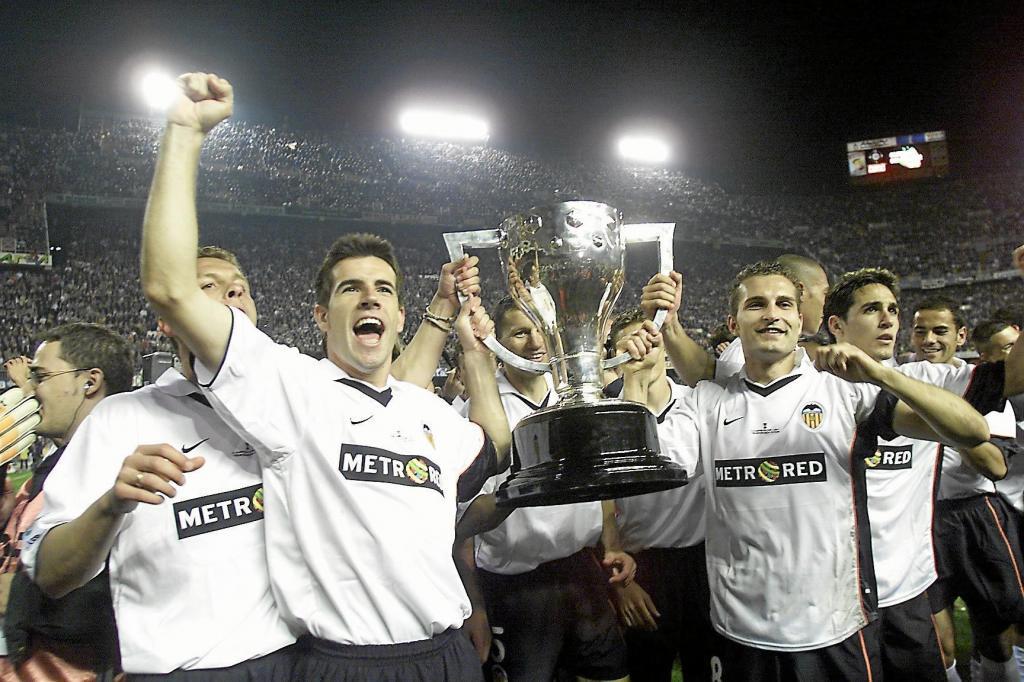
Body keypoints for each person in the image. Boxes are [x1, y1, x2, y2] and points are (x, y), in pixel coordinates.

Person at [140, 71, 511, 681]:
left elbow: (494, 447)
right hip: (345, 664)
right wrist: (183, 132)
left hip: (445, 657)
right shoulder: (289, 387)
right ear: (321, 313)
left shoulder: (424, 412)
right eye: (351, 289)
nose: (370, 299)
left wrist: (471, 347)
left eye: (384, 290)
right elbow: (171, 290)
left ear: (398, 315)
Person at [645, 261, 990, 680]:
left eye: (784, 303)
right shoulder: (707, 402)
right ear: (734, 324)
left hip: (834, 627)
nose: (772, 313)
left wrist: (883, 375)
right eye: (757, 304)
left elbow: (972, 431)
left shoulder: (846, 392)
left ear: (799, 319)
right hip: (738, 631)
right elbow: (657, 465)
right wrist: (644, 365)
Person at [23, 248, 299, 680]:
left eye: (240, 289)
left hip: (290, 662)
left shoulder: (290, 405)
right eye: (207, 286)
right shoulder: (118, 419)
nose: (232, 293)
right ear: (169, 317)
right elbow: (51, 574)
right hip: (182, 672)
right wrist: (111, 504)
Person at [823, 269, 1010, 681]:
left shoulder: (928, 380)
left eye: (892, 309)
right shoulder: (809, 386)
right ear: (836, 325)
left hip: (905, 585)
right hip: (833, 590)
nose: (888, 319)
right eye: (872, 310)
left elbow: (1012, 378)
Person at [454, 297, 631, 682]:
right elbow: (458, 529)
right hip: (516, 588)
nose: (535, 342)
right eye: (520, 332)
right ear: (497, 341)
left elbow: (599, 485)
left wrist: (612, 544)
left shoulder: (579, 393)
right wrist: (475, 606)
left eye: (542, 331)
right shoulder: (477, 410)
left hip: (582, 570)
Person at [2, 324, 133, 680]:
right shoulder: (59, 464)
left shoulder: (114, 472)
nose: (31, 391)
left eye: (40, 377)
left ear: (89, 383)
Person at [910, 297, 1024, 682]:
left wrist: (946, 422)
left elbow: (995, 465)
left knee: (995, 633)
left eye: (940, 331)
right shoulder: (898, 377)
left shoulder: (983, 386)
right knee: (938, 641)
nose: (928, 339)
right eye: (920, 330)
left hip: (974, 514)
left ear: (960, 336)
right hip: (916, 521)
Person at [601, 308, 716, 682]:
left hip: (701, 561)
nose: (641, 348)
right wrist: (623, 585)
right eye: (629, 343)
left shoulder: (699, 402)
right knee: (648, 669)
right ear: (613, 354)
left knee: (707, 665)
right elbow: (601, 500)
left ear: (665, 344)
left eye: (650, 337)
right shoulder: (603, 411)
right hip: (641, 565)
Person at [644, 253, 829, 386]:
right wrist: (669, 323)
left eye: (784, 304)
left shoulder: (826, 380)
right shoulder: (745, 353)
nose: (772, 315)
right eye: (825, 293)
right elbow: (706, 374)